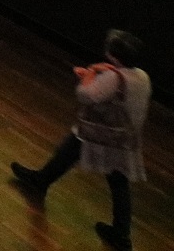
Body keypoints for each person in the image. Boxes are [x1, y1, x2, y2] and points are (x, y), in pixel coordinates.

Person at [11, 29, 151, 250]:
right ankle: (120, 234)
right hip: (123, 138)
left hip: (102, 135)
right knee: (104, 172)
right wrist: (95, 75)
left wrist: (90, 73)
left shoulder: (114, 77)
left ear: (114, 55)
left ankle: (40, 182)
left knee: (82, 157)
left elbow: (85, 95)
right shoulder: (142, 77)